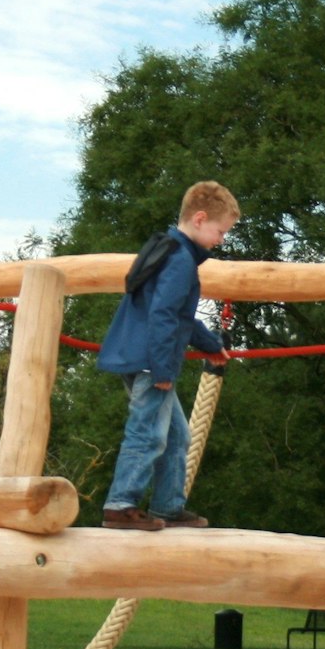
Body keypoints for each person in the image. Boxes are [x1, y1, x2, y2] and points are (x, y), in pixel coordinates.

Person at [95, 181, 239, 529]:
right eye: (220, 231)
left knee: (177, 436)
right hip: (150, 361)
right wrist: (162, 369)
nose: (221, 240)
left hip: (142, 353)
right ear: (200, 219)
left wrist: (210, 345)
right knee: (148, 433)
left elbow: (179, 317)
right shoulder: (180, 261)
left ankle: (168, 506)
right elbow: (163, 315)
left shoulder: (169, 250)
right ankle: (120, 504)